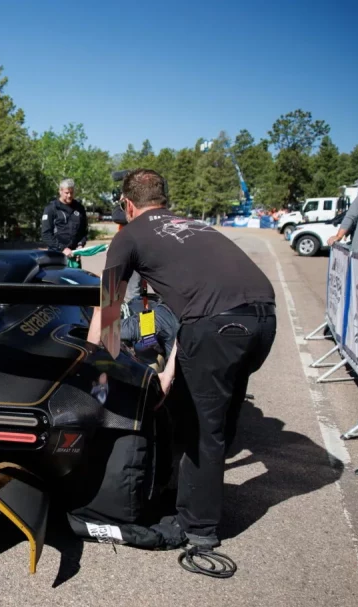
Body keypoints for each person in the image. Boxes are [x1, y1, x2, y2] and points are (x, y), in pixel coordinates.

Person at [89, 169, 276, 550]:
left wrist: (98, 375)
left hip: (219, 328)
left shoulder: (129, 236)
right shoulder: (195, 226)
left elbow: (108, 311)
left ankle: (197, 528)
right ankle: (191, 493)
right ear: (164, 199)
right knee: (213, 416)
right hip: (262, 321)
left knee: (200, 430)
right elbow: (199, 310)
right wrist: (171, 370)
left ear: (127, 204)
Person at [41, 179, 89, 256]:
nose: (69, 195)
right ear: (60, 191)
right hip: (56, 254)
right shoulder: (51, 208)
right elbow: (46, 235)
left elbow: (83, 232)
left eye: (71, 193)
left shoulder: (79, 208)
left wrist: (80, 245)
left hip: (74, 254)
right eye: (66, 193)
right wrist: (62, 248)